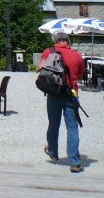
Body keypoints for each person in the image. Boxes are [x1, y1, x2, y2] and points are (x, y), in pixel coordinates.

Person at [38, 31, 85, 173]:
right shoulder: (77, 55)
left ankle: (53, 152)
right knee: (72, 128)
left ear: (55, 40)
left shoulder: (48, 52)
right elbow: (81, 75)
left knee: (53, 124)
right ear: (68, 41)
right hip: (71, 94)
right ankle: (75, 163)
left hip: (53, 93)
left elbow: (40, 68)